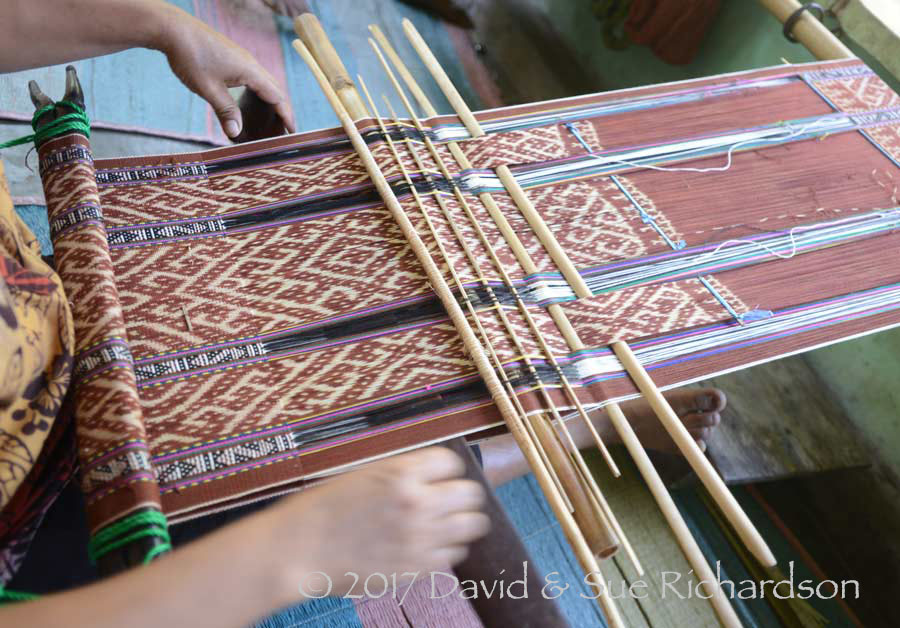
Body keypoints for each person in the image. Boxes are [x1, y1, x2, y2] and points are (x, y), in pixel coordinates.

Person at [0, 2, 724, 626]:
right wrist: (295, 551)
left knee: (348, 307)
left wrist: (158, 22)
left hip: (55, 315)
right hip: (48, 502)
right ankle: (578, 426)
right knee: (334, 453)